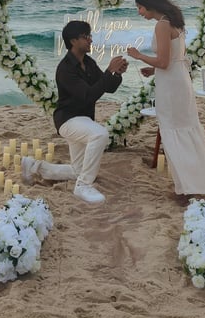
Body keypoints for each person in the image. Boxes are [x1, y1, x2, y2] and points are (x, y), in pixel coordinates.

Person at [126, 0, 205, 199]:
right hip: (178, 79)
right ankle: (197, 182)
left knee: (174, 131)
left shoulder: (162, 25)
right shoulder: (174, 21)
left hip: (171, 85)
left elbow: (164, 61)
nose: (139, 12)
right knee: (186, 129)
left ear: (150, 5)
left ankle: (190, 187)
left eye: (140, 7)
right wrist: (153, 69)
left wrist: (139, 56)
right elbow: (174, 58)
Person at [20, 20, 128, 204]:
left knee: (78, 170)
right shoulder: (65, 69)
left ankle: (34, 167)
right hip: (68, 120)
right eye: (86, 36)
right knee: (100, 134)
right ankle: (83, 186)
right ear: (73, 41)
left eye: (90, 35)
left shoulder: (88, 62)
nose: (90, 40)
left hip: (84, 120)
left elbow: (107, 87)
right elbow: (88, 96)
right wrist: (108, 70)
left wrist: (116, 74)